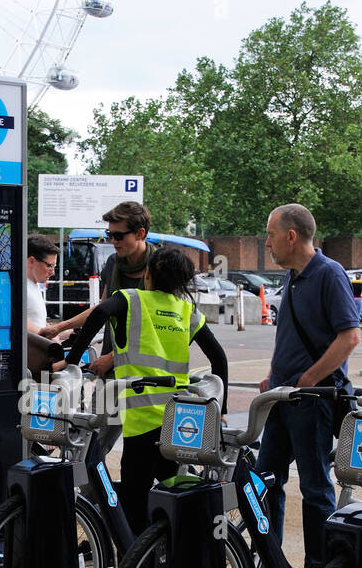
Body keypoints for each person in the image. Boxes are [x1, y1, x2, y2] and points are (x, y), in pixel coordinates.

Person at [58, 246, 228, 535]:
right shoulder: (187, 310)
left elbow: (99, 312)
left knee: (135, 502)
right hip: (177, 420)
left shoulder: (130, 300)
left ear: (147, 274)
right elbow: (219, 359)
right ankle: (170, 556)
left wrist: (72, 363)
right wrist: (221, 412)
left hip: (141, 421)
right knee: (173, 493)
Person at [256, 203, 360, 568]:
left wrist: (310, 379)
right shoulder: (293, 276)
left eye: (270, 234)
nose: (267, 242)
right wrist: (274, 374)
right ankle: (269, 563)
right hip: (283, 398)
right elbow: (290, 335)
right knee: (266, 480)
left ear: (291, 236)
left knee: (315, 487)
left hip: (312, 400)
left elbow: (349, 337)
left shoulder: (329, 274)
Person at [40, 201, 158, 376]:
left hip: (143, 368)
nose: (113, 241)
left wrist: (113, 357)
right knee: (99, 403)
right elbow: (102, 310)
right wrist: (59, 328)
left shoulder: (159, 266)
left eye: (119, 236)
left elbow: (158, 324)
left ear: (140, 233)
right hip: (110, 363)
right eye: (110, 234)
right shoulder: (113, 263)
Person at [25, 234, 66, 338]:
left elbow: (38, 323)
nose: (52, 272)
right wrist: (51, 337)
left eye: (54, 266)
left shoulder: (33, 285)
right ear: (31, 261)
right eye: (49, 266)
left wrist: (65, 332)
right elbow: (16, 320)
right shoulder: (20, 288)